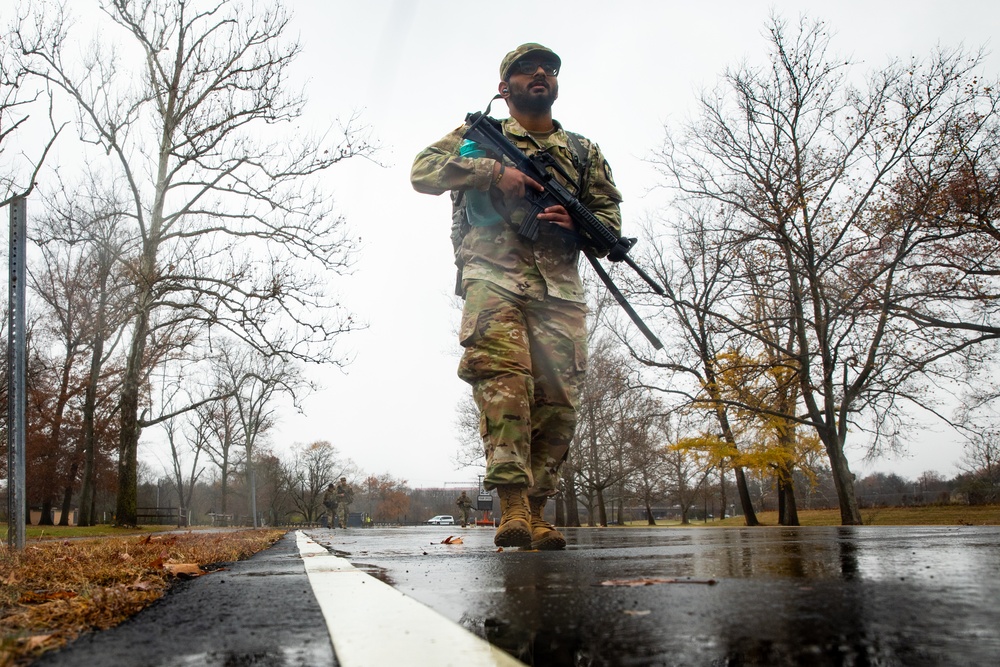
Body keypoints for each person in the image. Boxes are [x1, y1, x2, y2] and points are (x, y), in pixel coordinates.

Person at [411, 43, 623, 550]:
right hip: (494, 277)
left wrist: (579, 222)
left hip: (560, 294)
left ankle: (538, 511)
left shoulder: (582, 151)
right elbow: (422, 172)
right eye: (526, 70)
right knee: (504, 385)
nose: (540, 75)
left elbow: (610, 225)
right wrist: (493, 172)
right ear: (504, 88)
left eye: (548, 69)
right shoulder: (477, 137)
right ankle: (512, 507)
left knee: (558, 404)